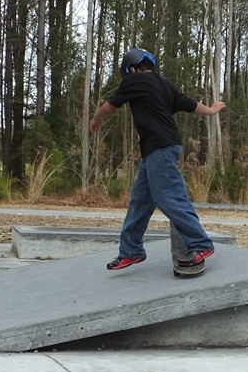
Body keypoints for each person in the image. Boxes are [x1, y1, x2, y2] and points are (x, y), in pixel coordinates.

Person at [89, 48, 225, 271]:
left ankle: (200, 244)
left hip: (160, 146)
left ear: (131, 69)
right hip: (158, 149)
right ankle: (130, 251)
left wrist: (96, 119)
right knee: (140, 201)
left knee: (169, 197)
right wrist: (212, 110)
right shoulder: (165, 85)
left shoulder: (134, 80)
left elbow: (109, 106)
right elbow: (192, 106)